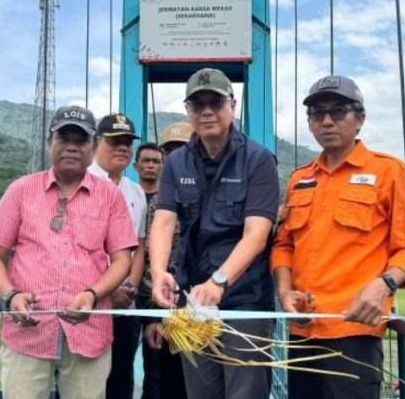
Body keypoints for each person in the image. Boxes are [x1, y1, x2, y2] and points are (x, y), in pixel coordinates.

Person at [270, 75, 405, 399]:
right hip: (302, 331)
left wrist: (383, 285)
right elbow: (283, 245)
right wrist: (284, 291)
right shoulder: (300, 179)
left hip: (354, 331)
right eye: (317, 113)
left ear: (360, 119)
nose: (327, 120)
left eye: (338, 111)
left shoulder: (391, 173)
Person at [0, 105, 137, 399]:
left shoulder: (110, 196)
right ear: (49, 142)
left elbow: (121, 259)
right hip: (27, 332)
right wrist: (10, 295)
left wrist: (93, 293)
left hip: (89, 331)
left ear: (93, 148)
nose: (72, 147)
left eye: (81, 140)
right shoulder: (21, 190)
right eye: (64, 138)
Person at [149, 68, 280, 399]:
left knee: (244, 393)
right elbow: (164, 221)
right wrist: (159, 271)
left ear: (232, 106)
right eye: (197, 104)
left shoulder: (258, 160)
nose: (206, 111)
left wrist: (220, 281)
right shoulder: (177, 162)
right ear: (188, 111)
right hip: (194, 299)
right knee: (201, 392)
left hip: (244, 301)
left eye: (215, 102)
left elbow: (257, 233)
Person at [90, 114, 148, 399]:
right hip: (87, 303)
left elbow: (138, 246)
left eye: (127, 142)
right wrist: (102, 292)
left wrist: (129, 287)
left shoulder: (136, 192)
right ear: (96, 143)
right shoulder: (80, 183)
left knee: (121, 377)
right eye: (114, 141)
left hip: (124, 304)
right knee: (84, 380)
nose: (123, 147)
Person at [134, 134, 189, 399]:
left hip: (177, 296)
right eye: (146, 160)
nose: (152, 165)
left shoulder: (188, 197)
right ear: (136, 166)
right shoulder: (129, 198)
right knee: (152, 366)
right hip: (140, 295)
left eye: (158, 160)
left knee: (174, 366)